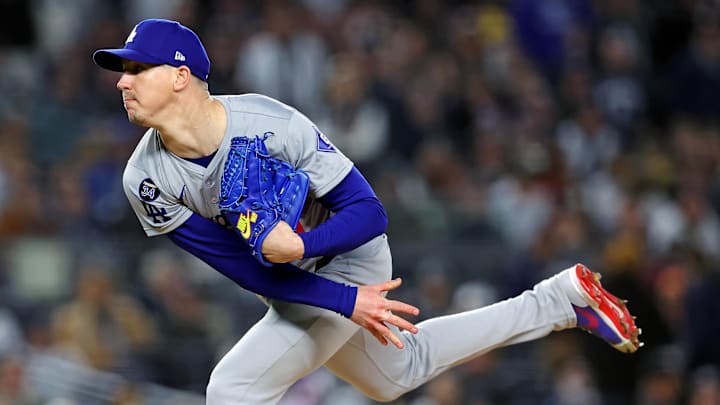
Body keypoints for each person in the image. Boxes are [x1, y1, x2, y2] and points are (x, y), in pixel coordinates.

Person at [92, 18, 642, 404]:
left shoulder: (272, 124)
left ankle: (556, 301)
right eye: (121, 70)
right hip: (292, 278)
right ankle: (559, 300)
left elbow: (368, 212)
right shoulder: (144, 178)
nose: (121, 81)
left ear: (181, 76)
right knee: (397, 374)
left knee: (232, 390)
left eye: (137, 68)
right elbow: (243, 266)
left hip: (346, 257)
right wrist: (334, 297)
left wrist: (315, 258)